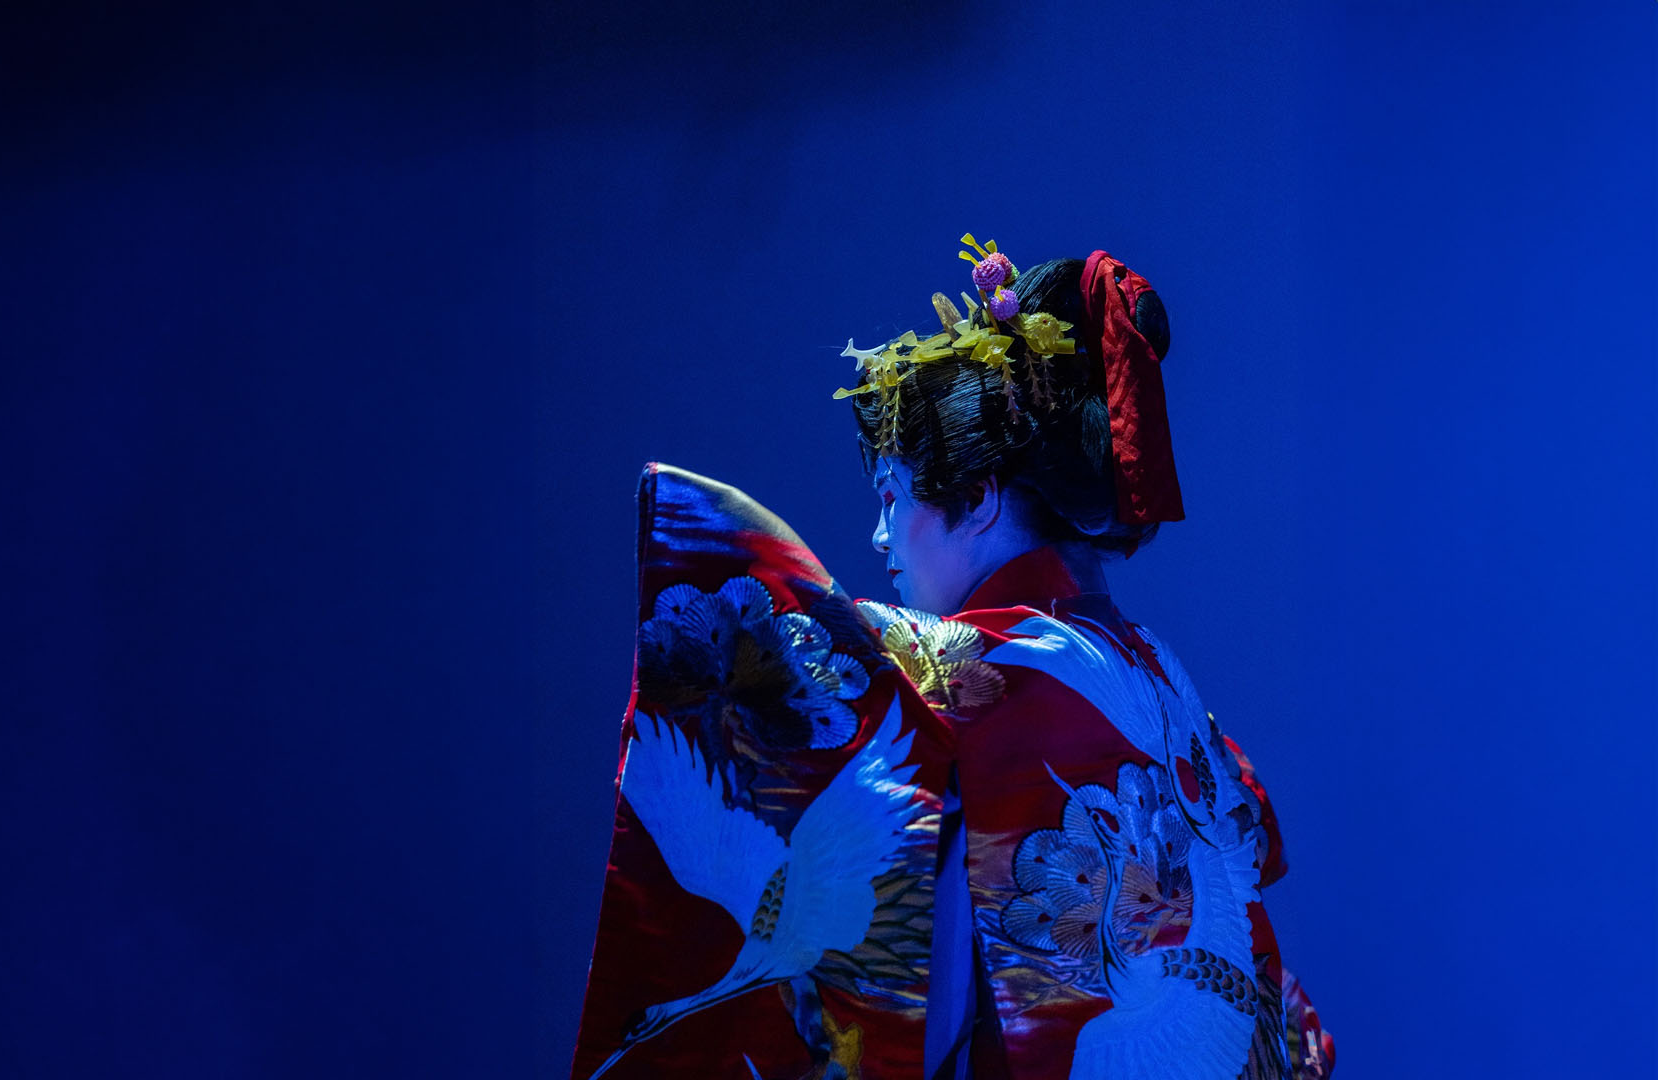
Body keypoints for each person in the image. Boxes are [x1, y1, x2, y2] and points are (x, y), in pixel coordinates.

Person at [570, 237, 1333, 1080]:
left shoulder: (965, 678)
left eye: (893, 497)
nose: (878, 535)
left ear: (977, 500)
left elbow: (943, 1002)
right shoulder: (1158, 672)